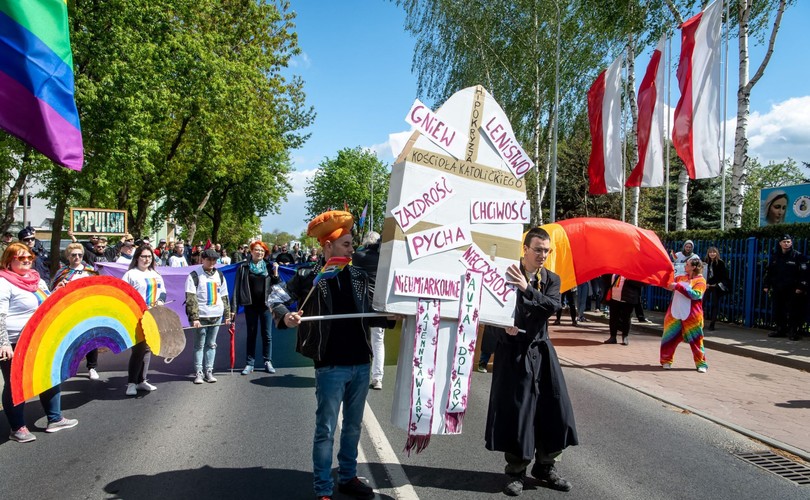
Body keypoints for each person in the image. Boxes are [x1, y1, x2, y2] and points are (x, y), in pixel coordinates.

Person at [270, 210, 393, 500]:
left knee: (352, 427)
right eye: (347, 245)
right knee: (325, 429)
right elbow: (275, 297)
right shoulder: (307, 277)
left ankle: (347, 477)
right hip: (329, 365)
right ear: (328, 247)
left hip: (362, 362)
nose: (353, 250)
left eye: (352, 245)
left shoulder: (360, 276)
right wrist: (286, 316)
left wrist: (392, 315)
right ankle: (323, 487)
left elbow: (374, 311)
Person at [485, 227, 577, 496]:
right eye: (538, 249)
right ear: (524, 249)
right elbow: (489, 314)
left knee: (556, 408)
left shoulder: (551, 279)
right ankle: (516, 471)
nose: (543, 255)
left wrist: (526, 289)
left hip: (542, 351)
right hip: (514, 352)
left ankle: (546, 465)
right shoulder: (504, 276)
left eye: (546, 250)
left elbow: (551, 306)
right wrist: (503, 328)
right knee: (519, 411)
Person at [0, 243, 78, 442]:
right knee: (15, 384)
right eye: (21, 258)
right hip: (15, 342)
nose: (27, 261)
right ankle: (17, 428)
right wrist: (4, 342)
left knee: (49, 377)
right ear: (9, 261)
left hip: (41, 339)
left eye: (29, 258)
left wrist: (57, 291)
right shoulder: (4, 282)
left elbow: (46, 305)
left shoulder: (36, 279)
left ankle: (55, 419)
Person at [122, 245, 166, 395]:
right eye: (143, 256)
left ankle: (142, 380)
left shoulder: (156, 274)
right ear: (137, 258)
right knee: (138, 349)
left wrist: (160, 300)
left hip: (152, 317)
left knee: (147, 349)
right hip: (136, 317)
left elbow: (163, 292)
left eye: (149, 256)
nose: (147, 259)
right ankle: (131, 383)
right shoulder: (130, 275)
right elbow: (124, 295)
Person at [51, 243, 100, 379]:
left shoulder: (89, 270)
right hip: (69, 310)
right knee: (70, 339)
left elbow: (99, 288)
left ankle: (92, 367)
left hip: (87, 309)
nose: (77, 257)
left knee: (91, 338)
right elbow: (54, 290)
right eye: (73, 255)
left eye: (80, 255)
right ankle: (69, 366)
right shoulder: (63, 272)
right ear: (68, 256)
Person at [232, 241, 280, 375]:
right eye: (257, 250)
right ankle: (249, 363)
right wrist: (233, 309)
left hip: (266, 306)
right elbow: (236, 289)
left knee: (267, 335)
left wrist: (275, 273)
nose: (259, 252)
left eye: (262, 251)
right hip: (250, 306)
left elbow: (277, 285)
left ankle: (267, 361)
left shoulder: (269, 267)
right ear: (251, 251)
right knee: (251, 335)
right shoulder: (243, 268)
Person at [185, 248, 231, 384]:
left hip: (216, 315)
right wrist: (195, 318)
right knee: (199, 345)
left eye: (214, 260)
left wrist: (227, 315)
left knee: (211, 344)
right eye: (209, 259)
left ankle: (209, 371)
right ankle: (198, 372)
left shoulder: (220, 275)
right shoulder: (194, 275)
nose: (212, 262)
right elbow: (191, 298)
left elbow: (224, 296)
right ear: (202, 260)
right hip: (202, 316)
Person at [661, 256, 708, 372]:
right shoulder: (680, 277)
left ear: (694, 267)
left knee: (696, 340)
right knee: (668, 338)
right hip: (674, 313)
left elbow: (696, 295)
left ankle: (701, 363)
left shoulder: (701, 281)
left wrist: (678, 286)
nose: (684, 266)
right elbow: (669, 285)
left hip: (692, 316)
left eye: (687, 264)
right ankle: (666, 360)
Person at [352, 231, 384, 389]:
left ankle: (357, 375)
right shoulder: (383, 258)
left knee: (359, 338)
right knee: (378, 341)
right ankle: (377, 377)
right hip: (379, 303)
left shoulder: (359, 256)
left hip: (361, 302)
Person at [763, 234, 808, 341]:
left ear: (791, 243)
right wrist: (766, 285)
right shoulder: (775, 256)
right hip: (778, 288)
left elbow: (804, 273)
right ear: (780, 243)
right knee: (778, 310)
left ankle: (793, 331)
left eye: (788, 242)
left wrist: (801, 286)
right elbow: (770, 272)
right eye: (784, 242)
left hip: (792, 289)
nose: (786, 244)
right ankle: (780, 330)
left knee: (793, 311)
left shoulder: (798, 256)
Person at [603, 275, 642, 346]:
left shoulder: (633, 271)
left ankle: (625, 336)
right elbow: (606, 278)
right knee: (613, 318)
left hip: (628, 298)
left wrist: (630, 279)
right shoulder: (614, 271)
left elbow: (642, 283)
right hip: (614, 297)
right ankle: (613, 337)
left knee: (626, 318)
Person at [703, 246, 729, 331]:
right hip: (706, 285)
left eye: (714, 252)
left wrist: (717, 284)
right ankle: (701, 321)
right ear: (708, 253)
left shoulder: (720, 263)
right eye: (710, 252)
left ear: (716, 253)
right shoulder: (705, 261)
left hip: (715, 286)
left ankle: (712, 324)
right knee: (702, 302)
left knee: (715, 304)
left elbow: (724, 276)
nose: (712, 254)